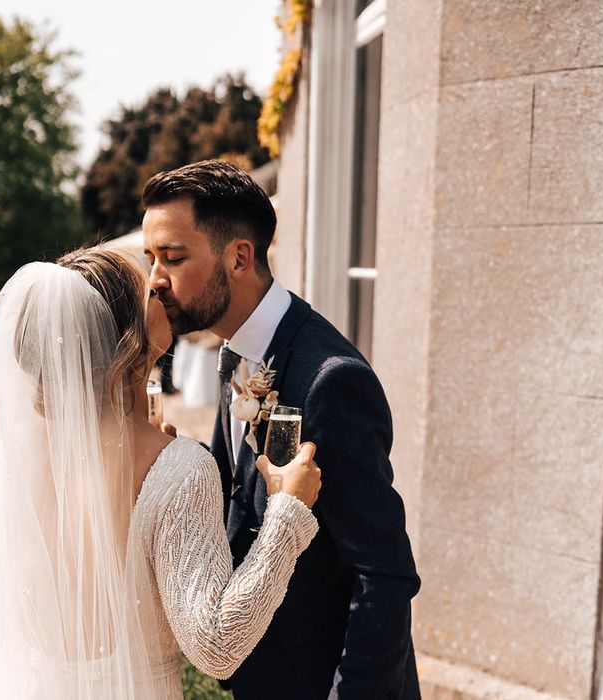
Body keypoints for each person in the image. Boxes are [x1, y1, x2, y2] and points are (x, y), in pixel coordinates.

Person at [0, 247, 322, 698]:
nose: (160, 288)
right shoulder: (181, 469)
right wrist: (288, 514)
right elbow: (217, 646)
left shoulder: (4, 461)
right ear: (129, 338)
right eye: (148, 291)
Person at [142, 159, 421, 699]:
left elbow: (383, 574)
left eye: (173, 257)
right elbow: (238, 500)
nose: (156, 279)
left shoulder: (331, 380)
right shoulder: (235, 353)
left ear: (239, 257)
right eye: (150, 258)